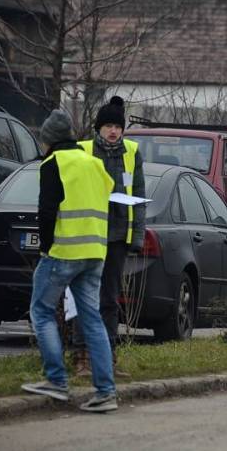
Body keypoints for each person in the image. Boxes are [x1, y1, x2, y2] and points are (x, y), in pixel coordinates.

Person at [21, 110, 118, 412]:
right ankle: (106, 392)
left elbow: (47, 210)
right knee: (93, 319)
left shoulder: (53, 163)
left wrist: (45, 248)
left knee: (41, 310)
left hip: (63, 252)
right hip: (95, 253)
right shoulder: (95, 163)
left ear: (48, 140)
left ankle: (56, 381)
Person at [70, 96, 146, 376]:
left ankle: (107, 357)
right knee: (84, 294)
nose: (113, 131)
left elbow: (138, 194)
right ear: (98, 128)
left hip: (117, 236)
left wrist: (136, 237)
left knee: (110, 299)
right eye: (108, 126)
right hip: (88, 233)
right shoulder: (83, 150)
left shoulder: (132, 152)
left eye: (117, 126)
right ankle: (82, 356)